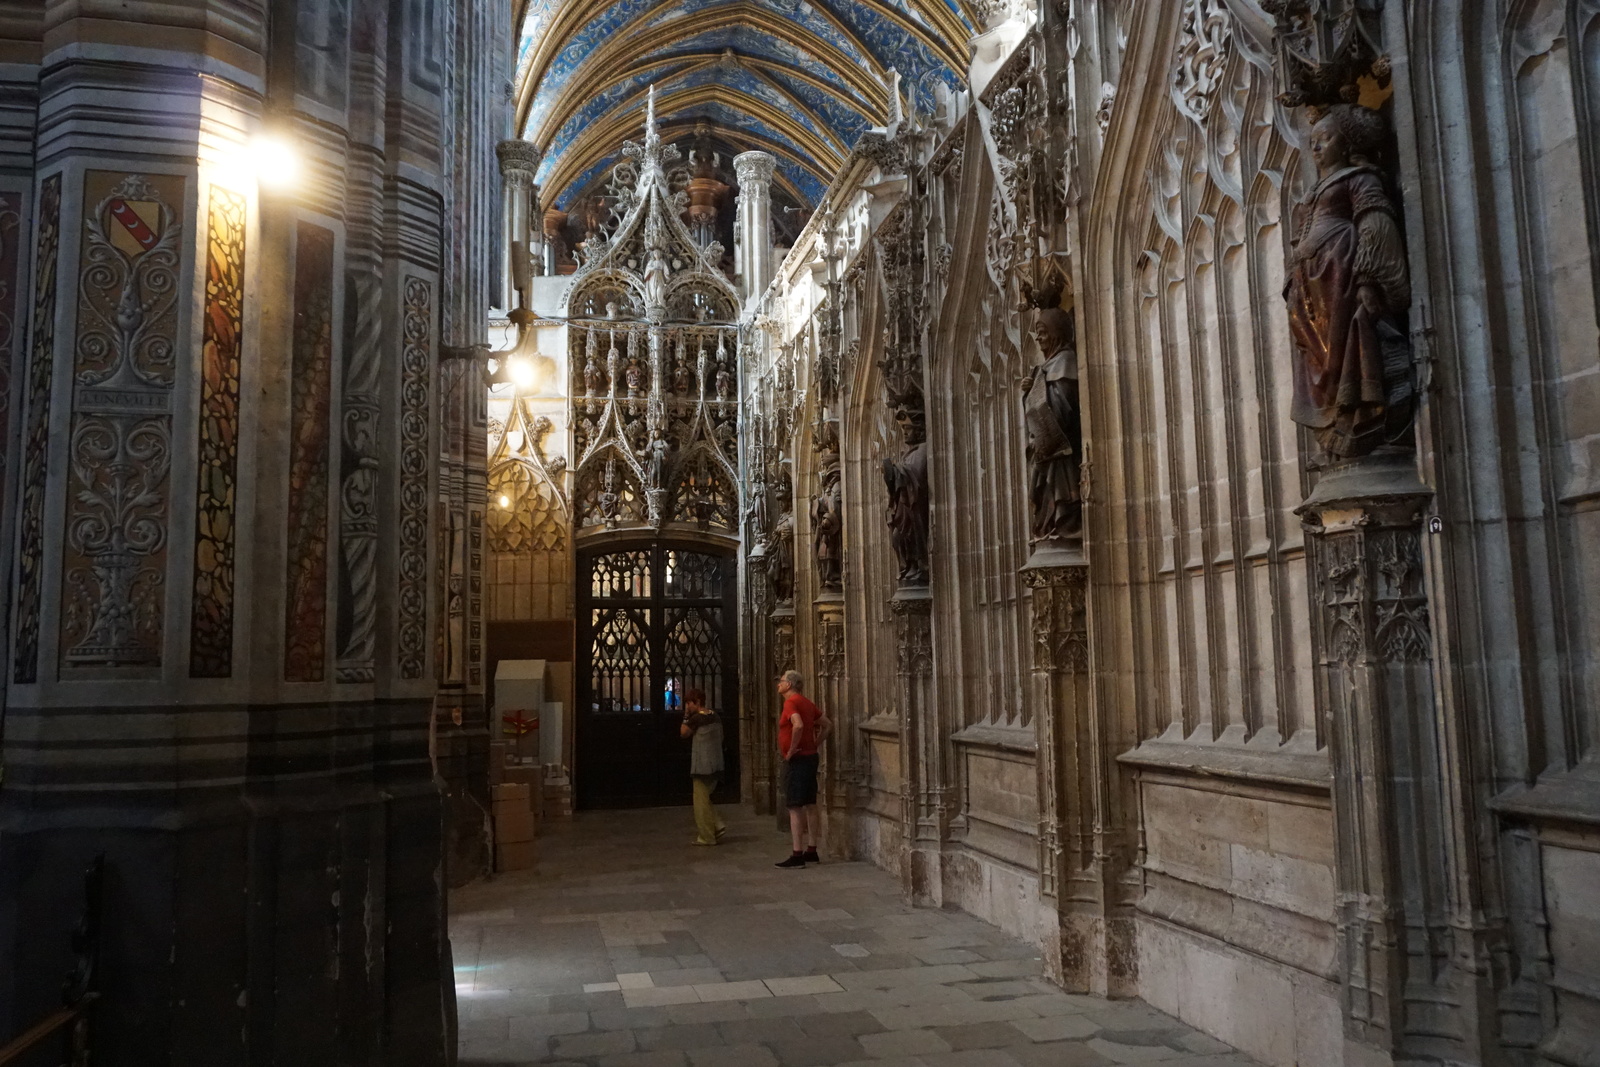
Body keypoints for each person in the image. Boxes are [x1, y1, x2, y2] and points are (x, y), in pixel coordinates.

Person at [774, 670, 830, 868]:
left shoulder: (791, 702)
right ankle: (812, 850)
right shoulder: (806, 702)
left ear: (789, 684)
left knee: (795, 805)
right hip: (810, 757)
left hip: (798, 759)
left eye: (780, 681)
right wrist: (814, 743)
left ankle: (797, 854)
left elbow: (796, 725)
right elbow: (827, 724)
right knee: (809, 803)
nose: (778, 684)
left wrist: (790, 751)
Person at [680, 688, 726, 846]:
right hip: (716, 763)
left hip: (702, 766)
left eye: (688, 702)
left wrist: (686, 716)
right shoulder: (715, 716)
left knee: (700, 802)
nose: (687, 706)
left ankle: (707, 836)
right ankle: (717, 826)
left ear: (697, 702)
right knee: (705, 798)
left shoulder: (696, 719)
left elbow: (683, 733)